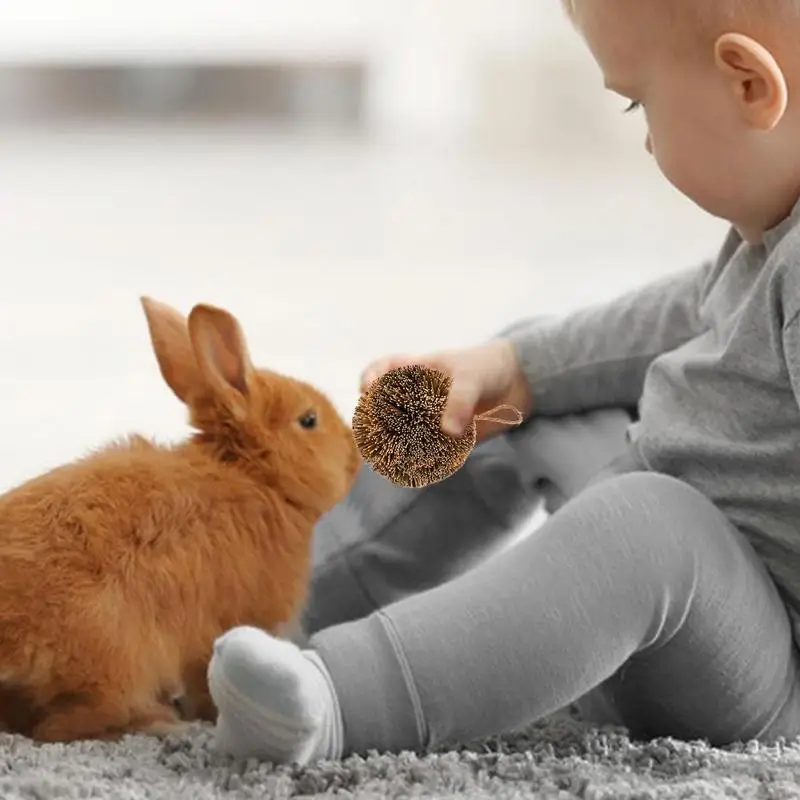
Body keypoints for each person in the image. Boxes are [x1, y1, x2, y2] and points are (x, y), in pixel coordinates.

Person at [206, 0, 800, 764]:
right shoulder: (770, 232)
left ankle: (331, 704)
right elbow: (676, 313)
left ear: (750, 85)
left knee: (653, 526)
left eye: (639, 100)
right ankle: (262, 608)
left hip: (754, 658)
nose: (647, 138)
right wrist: (514, 368)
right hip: (670, 551)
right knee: (514, 395)